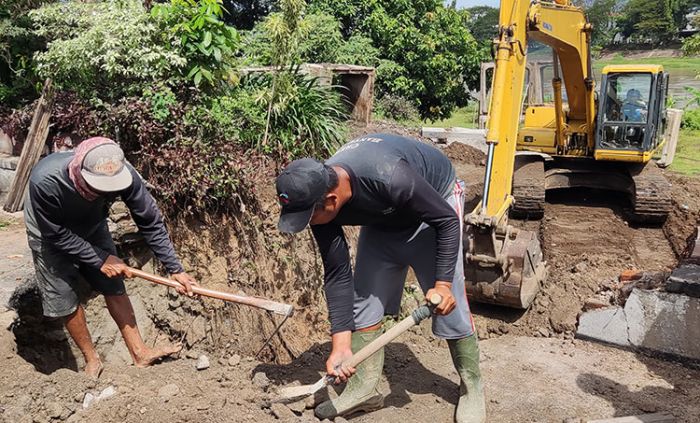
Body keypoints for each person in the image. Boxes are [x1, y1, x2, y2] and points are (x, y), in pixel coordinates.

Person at [275, 134, 486, 422]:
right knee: (363, 302)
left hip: (434, 210)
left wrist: (443, 285)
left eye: (309, 218)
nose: (308, 225)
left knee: (450, 305)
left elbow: (446, 221)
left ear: (331, 201)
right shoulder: (318, 200)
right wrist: (340, 345)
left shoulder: (389, 176)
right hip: (384, 217)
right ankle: (364, 389)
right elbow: (337, 272)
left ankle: (471, 385)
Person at [24, 137, 197, 378]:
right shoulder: (46, 181)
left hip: (93, 223)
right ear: (79, 173)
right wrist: (100, 259)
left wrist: (174, 268)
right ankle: (92, 360)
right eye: (99, 187)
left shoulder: (124, 173)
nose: (106, 191)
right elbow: (56, 234)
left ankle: (140, 352)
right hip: (49, 233)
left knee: (113, 283)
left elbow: (150, 221)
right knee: (62, 294)